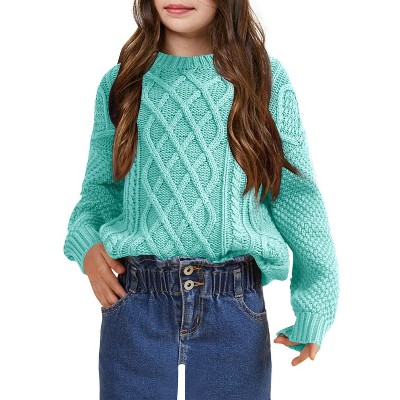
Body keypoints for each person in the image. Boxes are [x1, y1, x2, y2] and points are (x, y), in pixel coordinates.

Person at [63, 0, 340, 399]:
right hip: (136, 302)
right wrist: (86, 245)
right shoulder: (122, 82)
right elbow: (100, 191)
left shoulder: (262, 78)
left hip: (233, 305)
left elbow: (297, 197)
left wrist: (315, 302)